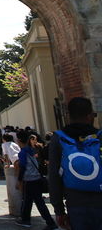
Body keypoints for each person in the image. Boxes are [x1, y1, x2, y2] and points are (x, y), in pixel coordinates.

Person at [49, 97, 102, 230]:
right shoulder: (100, 136)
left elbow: (54, 176)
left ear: (68, 116)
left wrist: (59, 210)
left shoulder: (59, 138)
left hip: (75, 202)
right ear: (90, 116)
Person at [15, 130, 57, 229]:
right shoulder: (33, 149)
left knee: (38, 202)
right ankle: (25, 219)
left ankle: (50, 222)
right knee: (27, 200)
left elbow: (23, 167)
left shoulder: (23, 152)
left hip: (30, 179)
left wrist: (19, 180)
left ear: (19, 140)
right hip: (36, 177)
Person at [1, 133, 22, 217]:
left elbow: (6, 155)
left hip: (14, 160)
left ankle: (19, 184)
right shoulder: (14, 144)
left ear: (4, 139)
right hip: (20, 159)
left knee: (17, 176)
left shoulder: (4, 144)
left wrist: (8, 164)